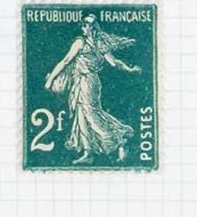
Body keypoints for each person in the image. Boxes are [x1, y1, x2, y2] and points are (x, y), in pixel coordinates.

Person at [43, 15, 141, 165]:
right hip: (86, 81)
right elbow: (114, 63)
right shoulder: (98, 44)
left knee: (91, 114)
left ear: (93, 27)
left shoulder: (81, 42)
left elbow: (66, 61)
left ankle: (118, 140)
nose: (83, 27)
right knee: (82, 115)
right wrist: (130, 69)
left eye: (86, 25)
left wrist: (50, 79)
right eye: (82, 24)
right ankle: (87, 152)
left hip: (87, 82)